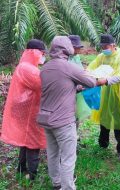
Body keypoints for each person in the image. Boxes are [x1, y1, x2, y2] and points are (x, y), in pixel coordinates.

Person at [37, 36, 97, 190]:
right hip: (63, 121)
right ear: (66, 49)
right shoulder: (68, 67)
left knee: (53, 153)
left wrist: (74, 87)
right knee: (69, 157)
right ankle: (68, 187)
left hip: (46, 118)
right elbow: (91, 82)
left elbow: (58, 87)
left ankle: (56, 183)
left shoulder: (45, 68)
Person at [0, 39, 47, 180]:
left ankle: (21, 169)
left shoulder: (25, 66)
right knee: (32, 142)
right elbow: (43, 86)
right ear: (34, 52)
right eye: (42, 53)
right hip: (29, 112)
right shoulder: (29, 69)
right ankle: (32, 175)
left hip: (25, 110)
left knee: (25, 142)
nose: (43, 56)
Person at [87, 34, 120, 161]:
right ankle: (103, 145)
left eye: (106, 46)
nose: (104, 49)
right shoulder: (101, 56)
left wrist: (106, 80)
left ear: (113, 45)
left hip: (118, 94)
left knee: (119, 120)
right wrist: (89, 74)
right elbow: (91, 67)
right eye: (102, 46)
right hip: (104, 93)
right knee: (104, 118)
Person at [68, 35, 91, 131]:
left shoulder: (76, 57)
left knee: (76, 113)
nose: (78, 50)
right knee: (69, 114)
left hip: (78, 89)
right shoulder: (65, 59)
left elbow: (80, 70)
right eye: (76, 48)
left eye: (79, 47)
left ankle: (75, 133)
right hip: (69, 90)